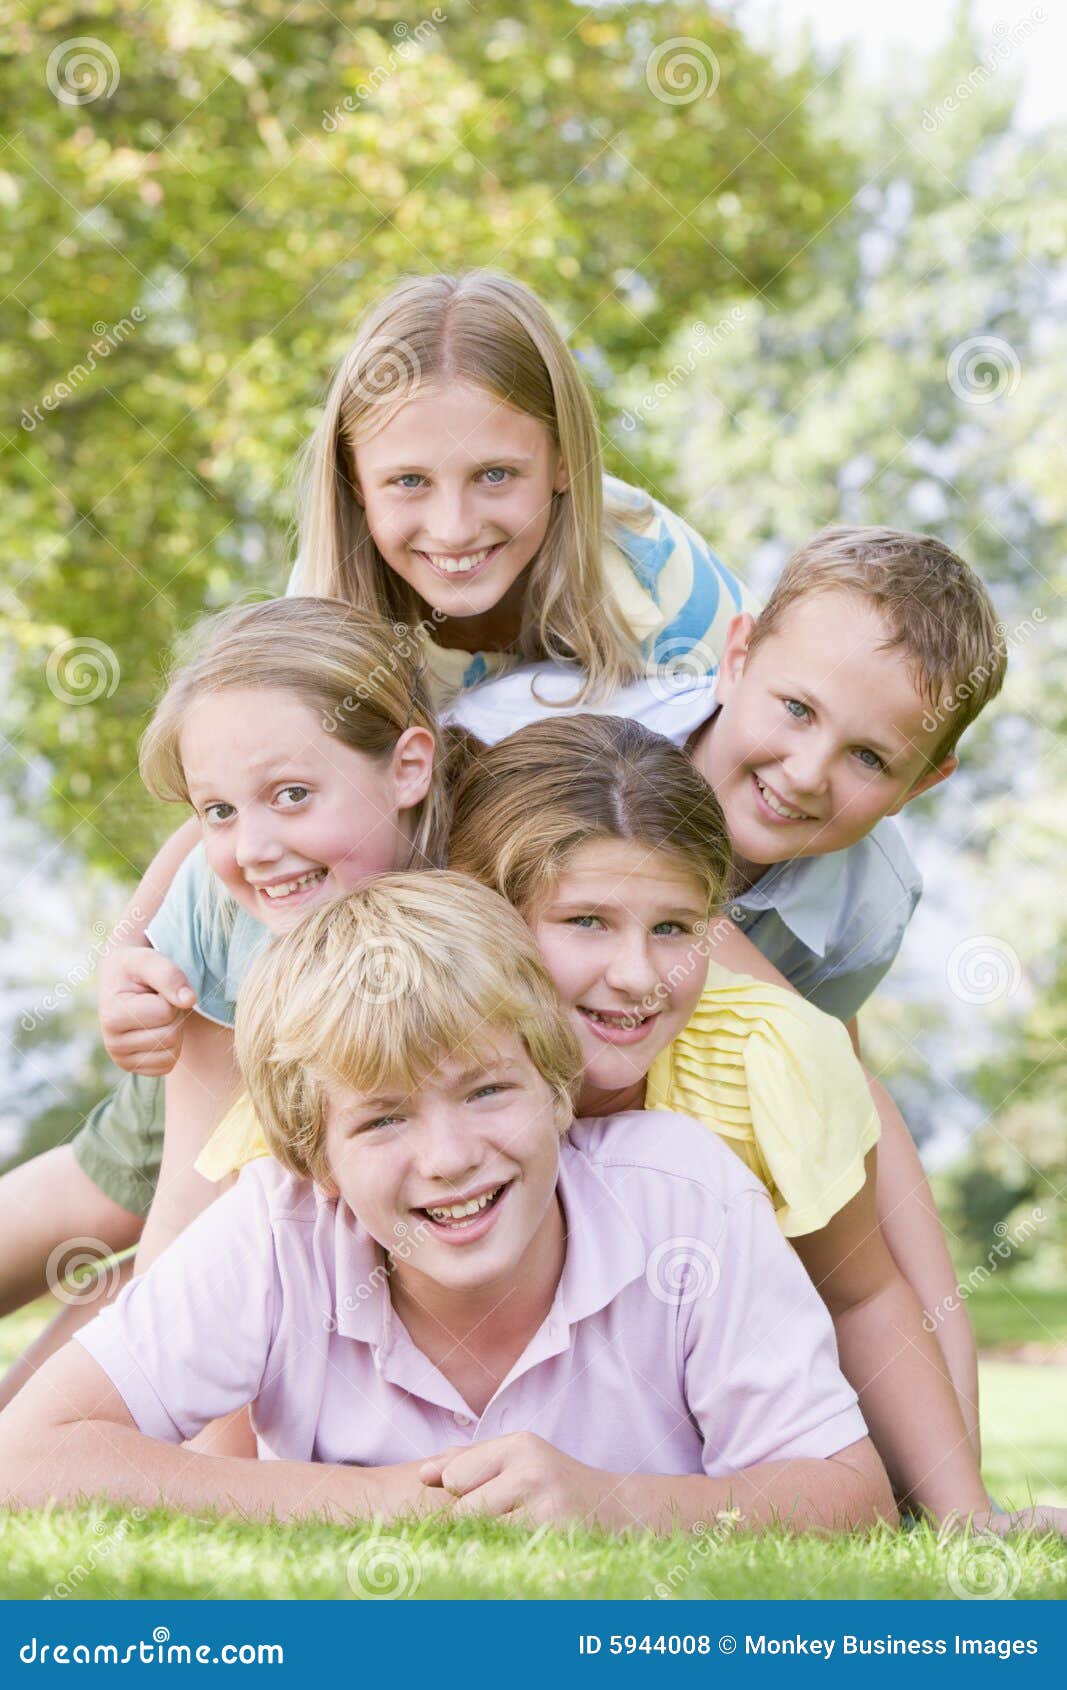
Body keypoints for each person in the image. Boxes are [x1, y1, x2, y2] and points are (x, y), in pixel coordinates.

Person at [0, 874, 896, 1536]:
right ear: (319, 1159)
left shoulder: (686, 1200)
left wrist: (611, 1504)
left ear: (555, 1088)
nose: (450, 1159)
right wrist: (383, 1502)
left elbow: (850, 1496)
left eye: (486, 1093)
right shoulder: (280, 1228)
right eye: (383, 1118)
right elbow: (28, 1455)